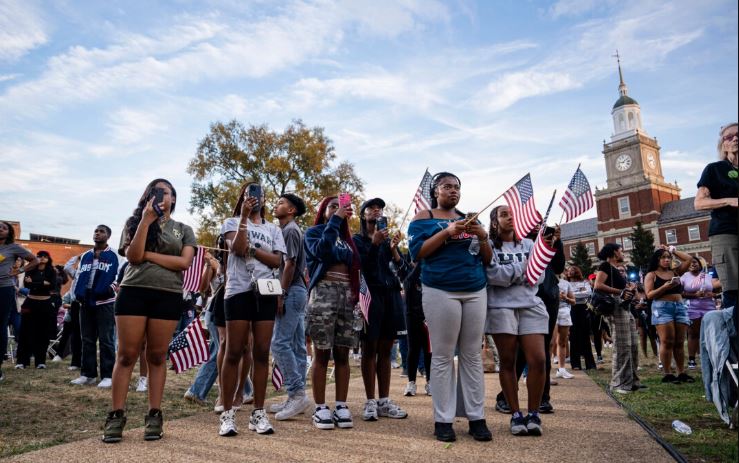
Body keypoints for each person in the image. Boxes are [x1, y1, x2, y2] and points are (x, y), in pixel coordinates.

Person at [104, 178, 196, 443]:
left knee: (156, 356)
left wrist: (149, 255)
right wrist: (145, 221)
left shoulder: (183, 229)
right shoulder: (134, 223)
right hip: (134, 291)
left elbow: (184, 262)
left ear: (174, 199)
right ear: (146, 197)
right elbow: (133, 256)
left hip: (167, 295)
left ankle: (154, 414)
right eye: (154, 192)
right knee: (127, 355)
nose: (160, 196)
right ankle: (115, 415)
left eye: (165, 192)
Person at [408, 172, 492, 442]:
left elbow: (487, 259)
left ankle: (476, 417)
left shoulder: (470, 218)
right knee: (443, 355)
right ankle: (443, 420)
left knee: (471, 354)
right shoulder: (423, 218)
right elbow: (417, 253)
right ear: (435, 191)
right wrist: (446, 232)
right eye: (447, 186)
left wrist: (482, 236)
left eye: (457, 187)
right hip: (440, 288)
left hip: (475, 288)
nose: (453, 191)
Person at [218, 182, 285, 437]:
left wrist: (253, 250)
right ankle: (227, 412)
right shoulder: (231, 222)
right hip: (238, 290)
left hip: (266, 291)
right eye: (249, 194)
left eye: (259, 194)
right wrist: (244, 218)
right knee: (234, 351)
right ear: (243, 198)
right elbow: (235, 247)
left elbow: (277, 260)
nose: (255, 198)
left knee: (261, 352)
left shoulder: (273, 229)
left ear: (264, 199)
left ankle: (259, 412)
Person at [485, 205, 548, 437]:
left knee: (538, 360)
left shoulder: (530, 245)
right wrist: (524, 268)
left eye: (513, 214)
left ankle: (534, 413)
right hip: (501, 307)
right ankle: (515, 414)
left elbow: (538, 276)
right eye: (504, 214)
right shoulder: (489, 246)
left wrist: (509, 273)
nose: (510, 218)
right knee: (508, 361)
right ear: (494, 222)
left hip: (530, 305)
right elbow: (493, 276)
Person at [304, 195, 362, 431]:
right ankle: (320, 407)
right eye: (332, 206)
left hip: (346, 295)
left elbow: (355, 267)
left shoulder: (347, 240)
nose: (337, 210)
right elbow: (323, 252)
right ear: (324, 210)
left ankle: (340, 405)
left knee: (342, 353)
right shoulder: (314, 232)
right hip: (323, 292)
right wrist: (335, 222)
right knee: (322, 352)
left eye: (341, 207)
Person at [353, 198, 408, 421]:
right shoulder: (357, 239)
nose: (377, 211)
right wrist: (374, 244)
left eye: (380, 209)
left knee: (385, 351)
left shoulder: (387, 241)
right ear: (363, 215)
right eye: (371, 208)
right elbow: (363, 268)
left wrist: (394, 250)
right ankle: (370, 401)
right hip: (371, 297)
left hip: (391, 296)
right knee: (369, 350)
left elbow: (403, 270)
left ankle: (384, 401)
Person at [269, 193, 312, 421]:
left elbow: (290, 263)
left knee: (278, 343)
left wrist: (280, 293)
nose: (276, 206)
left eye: (281, 203)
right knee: (296, 346)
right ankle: (296, 396)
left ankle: (296, 394)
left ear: (292, 210)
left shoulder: (290, 230)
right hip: (297, 292)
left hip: (292, 291)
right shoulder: (288, 230)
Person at [694, 123, 738, 313]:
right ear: (724, 144)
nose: (735, 139)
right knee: (734, 289)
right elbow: (699, 203)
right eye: (729, 137)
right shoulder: (715, 169)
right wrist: (729, 200)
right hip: (727, 232)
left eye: (738, 135)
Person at [70, 225, 119, 388]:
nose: (97, 233)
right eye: (96, 231)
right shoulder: (85, 255)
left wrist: (109, 290)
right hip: (85, 301)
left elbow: (120, 276)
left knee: (106, 339)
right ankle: (88, 374)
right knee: (87, 339)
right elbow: (77, 276)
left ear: (108, 236)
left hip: (105, 302)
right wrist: (76, 294)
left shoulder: (115, 255)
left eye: (101, 231)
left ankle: (108, 375)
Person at [594, 243, 641, 394]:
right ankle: (618, 383)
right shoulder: (605, 266)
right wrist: (621, 292)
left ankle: (632, 381)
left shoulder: (617, 270)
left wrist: (629, 290)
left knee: (633, 344)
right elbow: (598, 285)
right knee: (622, 346)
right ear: (614, 253)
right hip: (615, 308)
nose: (623, 253)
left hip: (625, 308)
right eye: (621, 250)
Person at [644, 246, 695, 384]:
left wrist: (673, 250)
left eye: (668, 257)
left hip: (679, 307)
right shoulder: (651, 274)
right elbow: (649, 295)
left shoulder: (675, 272)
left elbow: (689, 259)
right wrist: (665, 287)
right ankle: (667, 373)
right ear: (657, 259)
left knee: (679, 341)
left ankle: (681, 372)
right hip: (662, 308)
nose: (667, 260)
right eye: (663, 257)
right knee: (667, 341)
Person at [0, 221, 38, 380]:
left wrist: (19, 271)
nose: (0, 230)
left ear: (9, 232)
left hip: (4, 289)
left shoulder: (13, 247)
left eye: (3, 228)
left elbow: (34, 260)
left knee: (0, 325)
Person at [15, 250, 56, 370]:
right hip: (30, 303)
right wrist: (43, 283)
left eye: (45, 256)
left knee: (43, 333)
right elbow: (27, 285)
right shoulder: (30, 270)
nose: (42, 258)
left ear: (48, 258)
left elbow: (53, 285)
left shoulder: (51, 271)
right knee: (25, 332)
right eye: (39, 256)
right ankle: (22, 361)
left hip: (45, 304)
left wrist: (35, 282)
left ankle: (40, 361)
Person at [681, 256, 720, 369]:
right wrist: (694, 295)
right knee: (693, 334)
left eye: (695, 262)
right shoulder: (684, 277)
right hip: (692, 308)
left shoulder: (708, 276)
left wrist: (713, 294)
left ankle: (711, 356)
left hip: (709, 307)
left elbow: (716, 290)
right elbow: (680, 293)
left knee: (710, 333)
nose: (693, 264)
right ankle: (692, 360)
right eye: (691, 263)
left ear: (700, 264)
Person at [402, 259, 432, 397]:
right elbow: (409, 281)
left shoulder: (429, 274)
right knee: (413, 349)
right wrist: (421, 261)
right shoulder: (409, 275)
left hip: (429, 316)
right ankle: (411, 382)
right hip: (412, 316)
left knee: (429, 351)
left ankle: (430, 382)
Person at [566, 266, 596, 370]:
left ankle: (590, 364)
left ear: (578, 272)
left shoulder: (585, 282)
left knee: (585, 336)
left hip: (584, 310)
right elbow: (565, 295)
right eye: (569, 270)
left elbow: (588, 293)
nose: (570, 271)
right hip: (571, 310)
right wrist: (578, 293)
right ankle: (575, 364)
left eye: (573, 270)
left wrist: (572, 295)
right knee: (573, 337)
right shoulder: (566, 284)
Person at [555, 272, 575, 379]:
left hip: (564, 312)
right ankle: (546, 372)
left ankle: (561, 370)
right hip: (550, 311)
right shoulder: (544, 280)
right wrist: (555, 297)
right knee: (550, 343)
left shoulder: (566, 283)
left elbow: (573, 301)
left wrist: (565, 298)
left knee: (562, 341)